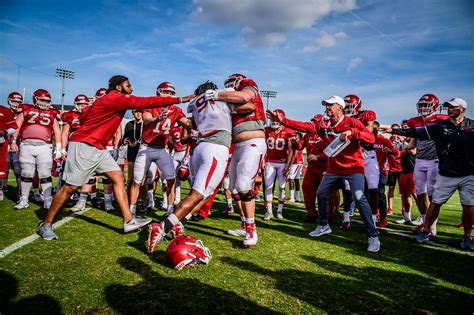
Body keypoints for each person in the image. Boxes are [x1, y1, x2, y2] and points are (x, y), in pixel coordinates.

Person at [37, 75, 193, 240]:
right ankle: (46, 224)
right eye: (128, 85)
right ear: (119, 87)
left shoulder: (106, 100)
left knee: (118, 177)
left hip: (98, 147)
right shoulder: (115, 98)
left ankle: (128, 220)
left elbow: (83, 117)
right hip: (85, 144)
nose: (131, 88)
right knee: (70, 187)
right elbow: (145, 102)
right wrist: (181, 99)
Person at [267, 95, 380, 252]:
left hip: (354, 168)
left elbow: (370, 138)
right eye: (326, 105)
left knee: (360, 199)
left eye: (330, 105)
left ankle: (373, 236)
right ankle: (323, 225)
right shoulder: (324, 124)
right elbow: (304, 126)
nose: (327, 107)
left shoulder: (352, 122)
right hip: (333, 168)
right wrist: (283, 120)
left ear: (339, 107)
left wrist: (353, 132)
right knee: (321, 193)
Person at [146, 81, 234, 253]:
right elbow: (245, 102)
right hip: (215, 148)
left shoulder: (195, 103)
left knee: (204, 193)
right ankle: (162, 227)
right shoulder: (220, 97)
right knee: (198, 195)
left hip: (199, 149)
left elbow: (191, 126)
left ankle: (178, 223)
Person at [387, 98, 473, 249]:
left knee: (468, 205)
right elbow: (416, 131)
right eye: (448, 107)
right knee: (436, 201)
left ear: (463, 109)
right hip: (447, 171)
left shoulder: (472, 125)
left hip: (468, 173)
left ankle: (467, 236)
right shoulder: (440, 126)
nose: (449, 109)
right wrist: (394, 131)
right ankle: (427, 229)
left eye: (453, 107)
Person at [206, 73, 267, 247]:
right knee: (233, 188)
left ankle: (251, 230)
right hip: (238, 145)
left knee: (243, 185)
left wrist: (216, 95)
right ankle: (244, 223)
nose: (230, 86)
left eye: (232, 82)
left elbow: (245, 99)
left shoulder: (247, 85)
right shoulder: (230, 100)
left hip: (253, 142)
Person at [129, 82, 192, 216]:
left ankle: (170, 210)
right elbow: (146, 120)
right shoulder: (150, 105)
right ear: (159, 92)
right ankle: (131, 211)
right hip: (146, 147)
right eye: (166, 92)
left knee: (171, 179)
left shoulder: (175, 110)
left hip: (162, 149)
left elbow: (187, 123)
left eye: (171, 93)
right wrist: (157, 119)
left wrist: (203, 120)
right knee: (137, 181)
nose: (168, 95)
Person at [11, 89, 62, 210]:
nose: (44, 103)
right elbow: (16, 126)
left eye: (46, 101)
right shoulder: (26, 109)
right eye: (42, 100)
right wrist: (13, 141)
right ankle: (24, 199)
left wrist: (59, 147)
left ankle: (48, 199)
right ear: (35, 99)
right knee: (26, 173)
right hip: (26, 145)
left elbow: (57, 130)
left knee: (45, 173)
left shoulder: (52, 112)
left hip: (44, 146)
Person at [405, 94, 448, 231]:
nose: (423, 108)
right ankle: (425, 222)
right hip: (419, 161)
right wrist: (399, 146)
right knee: (420, 192)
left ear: (434, 106)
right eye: (421, 105)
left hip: (434, 161)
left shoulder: (440, 120)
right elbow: (412, 144)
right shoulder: (414, 121)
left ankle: (432, 226)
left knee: (431, 193)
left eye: (426, 105)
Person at [342, 94, 379, 229]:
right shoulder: (342, 119)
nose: (347, 109)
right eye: (345, 106)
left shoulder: (367, 115)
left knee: (373, 188)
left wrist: (353, 130)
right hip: (352, 155)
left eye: (350, 106)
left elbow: (368, 132)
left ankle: (373, 221)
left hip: (368, 155)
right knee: (347, 189)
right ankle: (346, 218)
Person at [263, 109, 295, 220]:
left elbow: (291, 151)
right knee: (268, 186)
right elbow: (263, 147)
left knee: (281, 188)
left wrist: (288, 165)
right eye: (272, 118)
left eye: (275, 118)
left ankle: (280, 210)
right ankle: (269, 211)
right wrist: (263, 160)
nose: (273, 121)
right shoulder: (266, 130)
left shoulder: (288, 132)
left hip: (282, 163)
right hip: (270, 162)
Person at [373, 121, 400, 228]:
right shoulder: (366, 140)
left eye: (375, 128)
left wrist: (390, 150)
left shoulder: (384, 140)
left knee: (380, 193)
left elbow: (397, 153)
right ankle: (374, 213)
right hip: (368, 171)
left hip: (382, 171)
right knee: (369, 194)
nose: (372, 130)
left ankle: (383, 218)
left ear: (378, 129)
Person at [0, 96, 18, 200]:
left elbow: (13, 128)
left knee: (4, 167)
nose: (16, 103)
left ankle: (1, 189)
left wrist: (5, 132)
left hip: (2, 143)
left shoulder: (5, 110)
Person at [287, 132, 304, 203]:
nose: (294, 136)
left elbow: (295, 155)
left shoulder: (297, 143)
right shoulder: (298, 143)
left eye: (296, 136)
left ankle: (292, 197)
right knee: (296, 179)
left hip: (295, 163)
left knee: (291, 179)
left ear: (299, 137)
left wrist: (289, 165)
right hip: (298, 163)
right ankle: (298, 197)